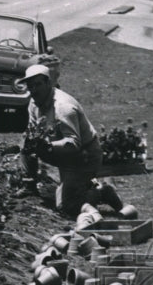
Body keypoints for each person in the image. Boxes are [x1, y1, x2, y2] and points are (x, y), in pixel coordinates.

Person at [16, 64, 125, 217]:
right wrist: (33, 143)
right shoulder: (34, 103)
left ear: (48, 83)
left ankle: (101, 191)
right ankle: (29, 185)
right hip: (61, 152)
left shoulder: (63, 107)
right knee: (26, 142)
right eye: (30, 86)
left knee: (66, 206)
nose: (34, 90)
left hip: (84, 156)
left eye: (38, 84)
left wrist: (47, 145)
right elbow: (32, 132)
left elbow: (74, 143)